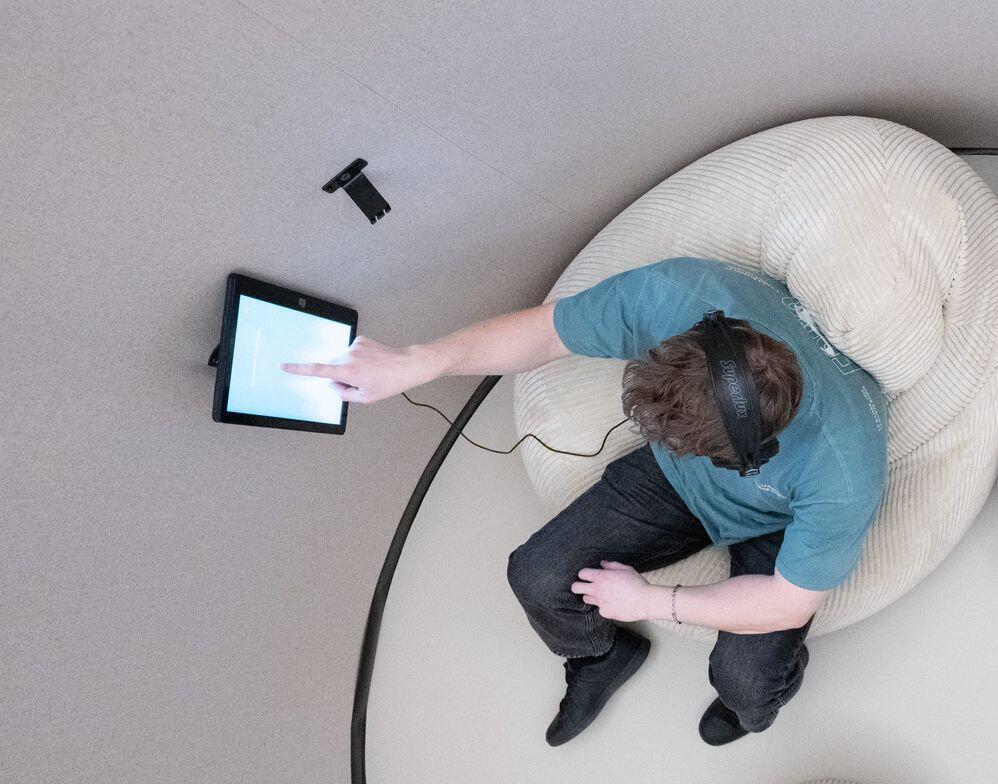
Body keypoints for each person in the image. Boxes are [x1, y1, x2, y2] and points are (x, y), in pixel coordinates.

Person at [285, 258, 887, 748]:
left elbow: (786, 602)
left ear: (750, 456)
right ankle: (602, 657)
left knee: (745, 685)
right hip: (675, 482)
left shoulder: (843, 466)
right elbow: (546, 332)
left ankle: (765, 693)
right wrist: (420, 362)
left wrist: (651, 601)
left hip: (778, 522)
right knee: (536, 574)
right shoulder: (675, 296)